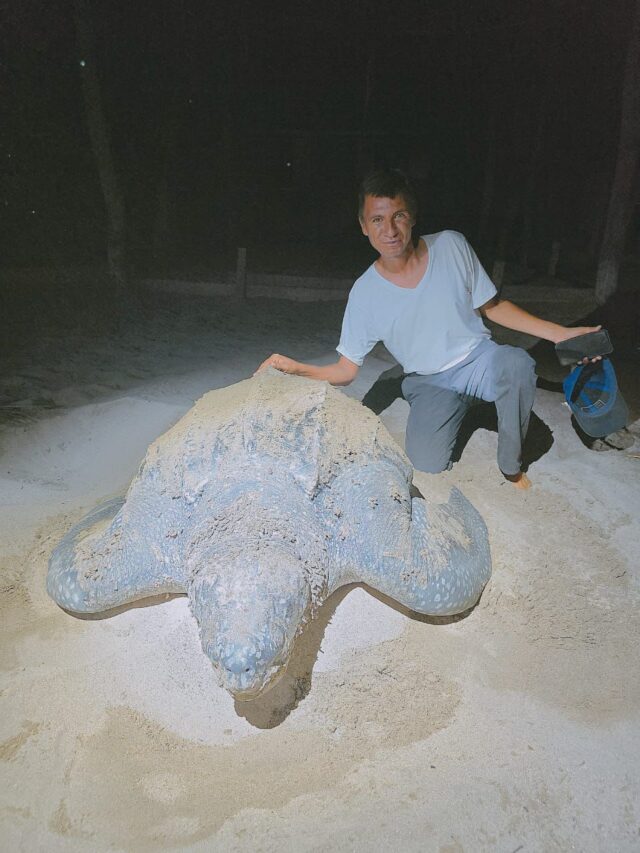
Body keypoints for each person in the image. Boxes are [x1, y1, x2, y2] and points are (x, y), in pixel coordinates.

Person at [257, 170, 601, 489]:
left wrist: (560, 334)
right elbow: (345, 371)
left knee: (518, 365)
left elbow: (493, 306)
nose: (390, 230)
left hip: (478, 360)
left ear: (412, 217)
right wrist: (296, 369)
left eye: (398, 216)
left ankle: (511, 466)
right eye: (377, 219)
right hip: (429, 380)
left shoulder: (451, 245)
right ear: (363, 226)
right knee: (426, 464)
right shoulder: (364, 293)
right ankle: (431, 393)